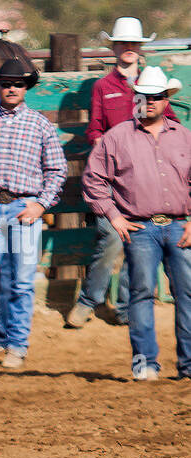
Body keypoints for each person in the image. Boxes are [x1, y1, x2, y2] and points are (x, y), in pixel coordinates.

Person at [81, 66, 191, 381]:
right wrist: (114, 216)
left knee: (188, 293)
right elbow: (94, 180)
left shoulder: (184, 137)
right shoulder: (116, 138)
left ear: (165, 99)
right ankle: (145, 363)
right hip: (140, 226)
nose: (151, 102)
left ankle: (189, 364)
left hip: (180, 223)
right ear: (137, 97)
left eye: (157, 97)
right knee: (141, 293)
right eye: (146, 96)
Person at [68, 17, 176, 329]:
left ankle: (128, 306)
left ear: (140, 49)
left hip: (145, 178)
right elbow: (94, 128)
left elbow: (169, 121)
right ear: (114, 48)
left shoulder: (154, 84)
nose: (129, 48)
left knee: (139, 240)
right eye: (123, 43)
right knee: (113, 238)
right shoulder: (103, 86)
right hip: (115, 177)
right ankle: (90, 299)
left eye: (134, 44)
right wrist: (105, 145)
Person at [0, 58, 66, 369]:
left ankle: (16, 345)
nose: (11, 88)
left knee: (22, 283)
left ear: (26, 88)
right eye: (6, 83)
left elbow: (57, 168)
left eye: (18, 83)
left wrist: (41, 204)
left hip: (25, 208)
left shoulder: (40, 124)